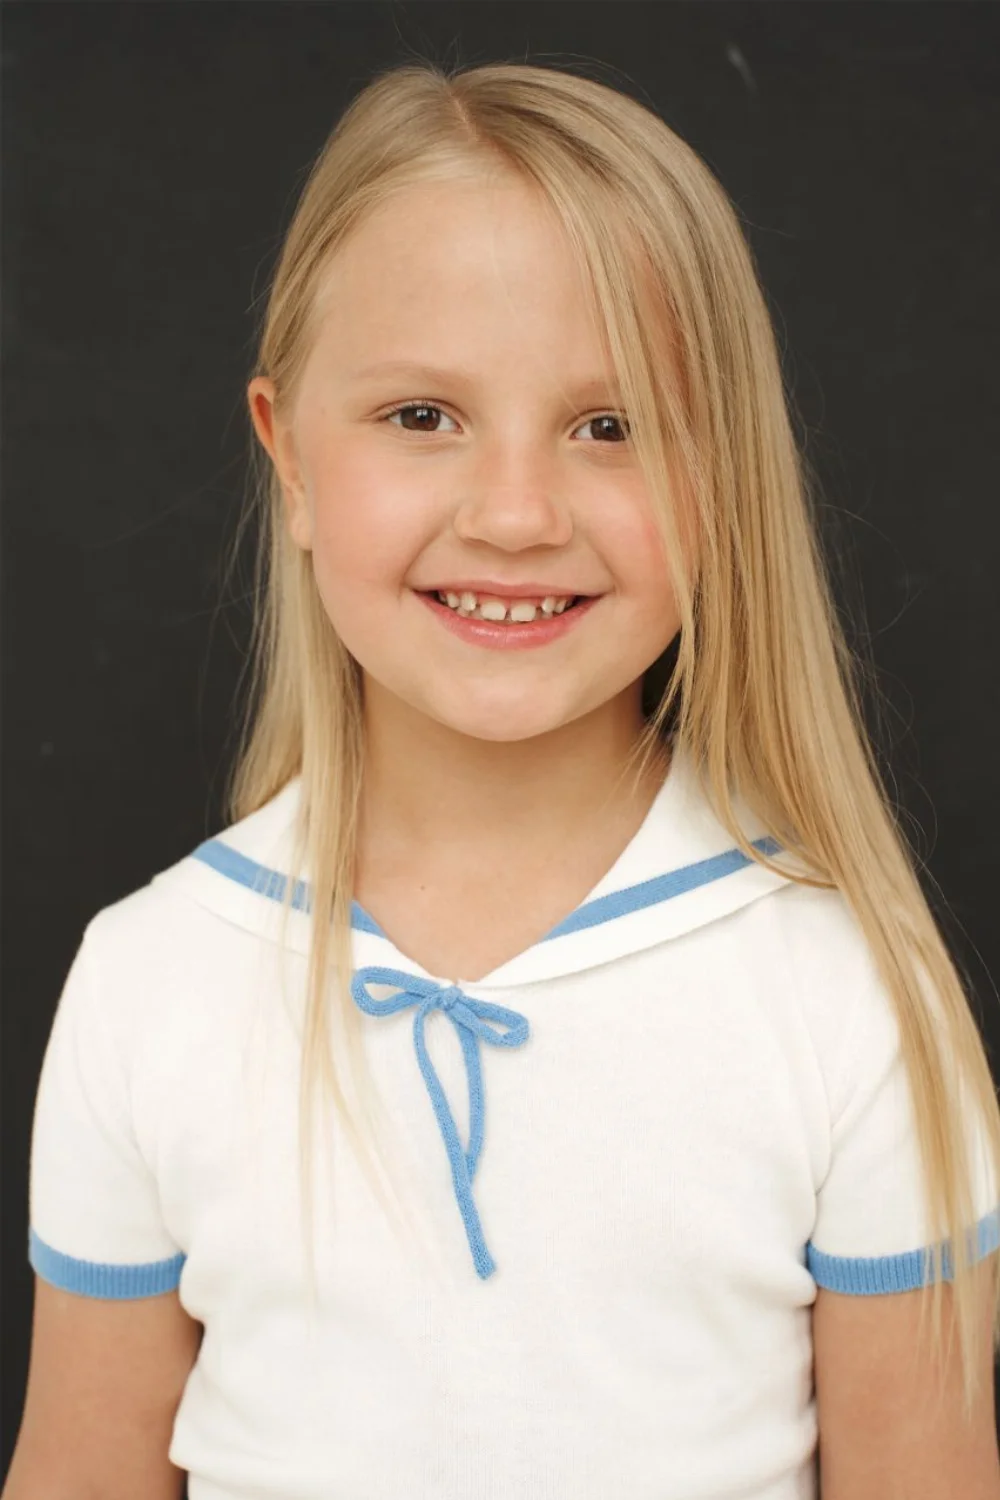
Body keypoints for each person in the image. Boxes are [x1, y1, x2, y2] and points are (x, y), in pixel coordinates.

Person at [8, 58, 1000, 1500]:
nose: (518, 514)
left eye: (612, 426)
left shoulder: (851, 993)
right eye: (422, 416)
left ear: (723, 475)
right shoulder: (149, 982)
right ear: (290, 457)